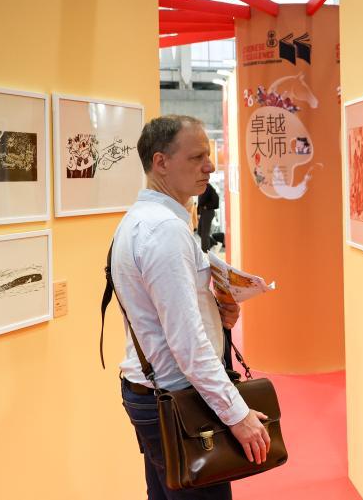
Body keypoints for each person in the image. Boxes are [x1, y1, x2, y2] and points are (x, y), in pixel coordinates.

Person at [111, 115, 270, 499]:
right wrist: (238, 415)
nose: (210, 166)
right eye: (197, 157)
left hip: (154, 393)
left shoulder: (138, 221)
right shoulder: (164, 231)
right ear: (161, 162)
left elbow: (159, 315)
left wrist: (217, 312)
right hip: (179, 400)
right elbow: (187, 344)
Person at [197, 182, 220, 252]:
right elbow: (200, 202)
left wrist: (207, 206)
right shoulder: (201, 187)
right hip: (203, 212)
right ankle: (213, 242)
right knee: (200, 232)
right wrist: (198, 213)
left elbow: (216, 199)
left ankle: (205, 252)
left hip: (208, 212)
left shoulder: (208, 187)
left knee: (204, 234)